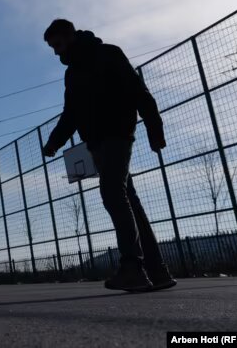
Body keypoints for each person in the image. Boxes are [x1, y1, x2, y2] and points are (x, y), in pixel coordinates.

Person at [40, 19, 176, 293]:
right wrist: (54, 142)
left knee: (113, 194)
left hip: (117, 134)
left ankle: (132, 268)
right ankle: (157, 271)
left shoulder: (108, 54)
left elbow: (139, 91)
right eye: (53, 48)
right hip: (96, 144)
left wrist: (154, 127)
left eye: (58, 44)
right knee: (129, 202)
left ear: (71, 35)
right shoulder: (73, 73)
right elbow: (71, 113)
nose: (56, 52)